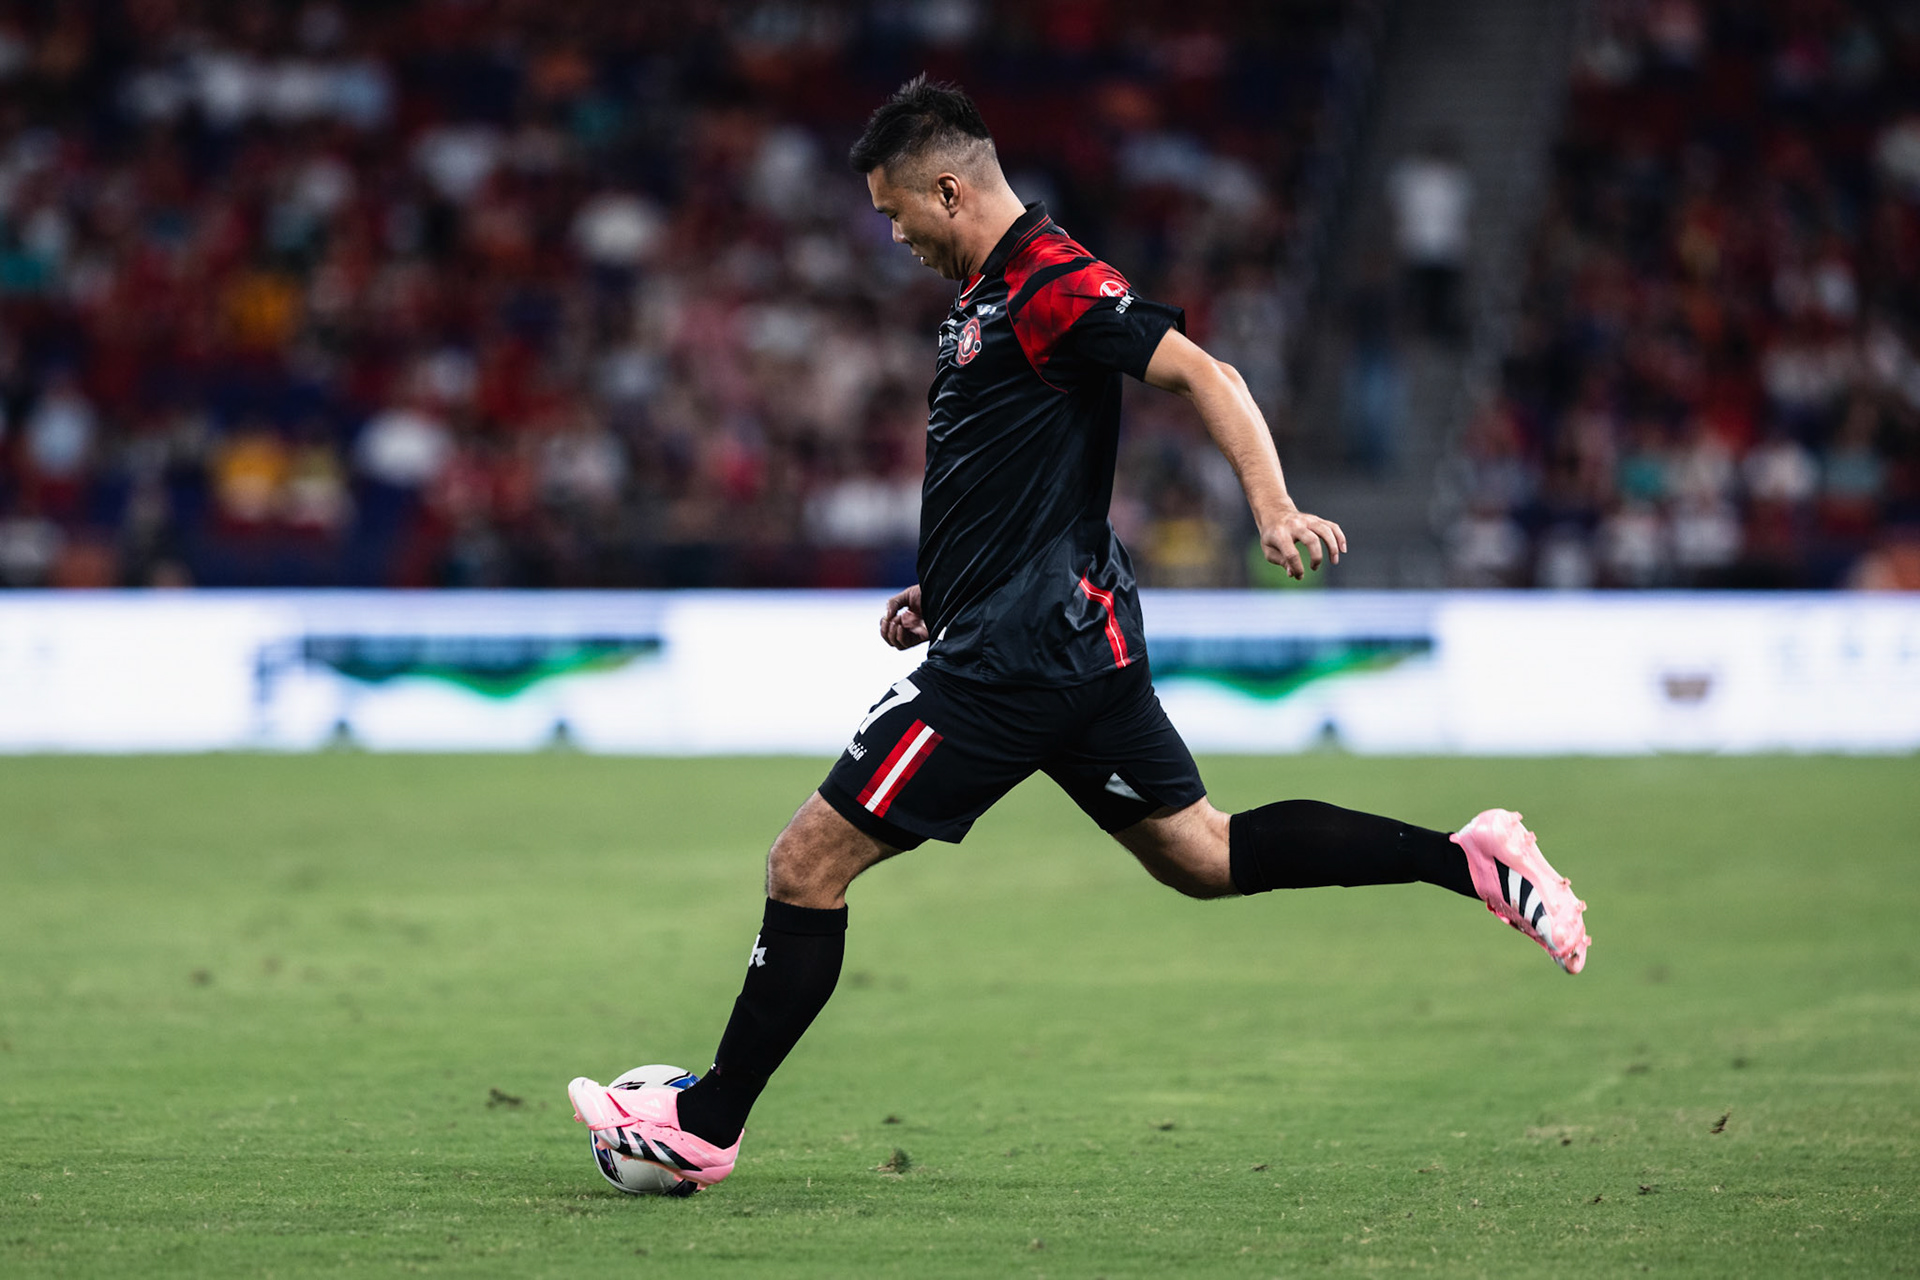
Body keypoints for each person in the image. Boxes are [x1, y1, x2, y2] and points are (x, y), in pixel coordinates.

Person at [568, 78, 1590, 1191]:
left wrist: (1273, 507)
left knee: (804, 862)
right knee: (1203, 854)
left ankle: (704, 1122)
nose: (894, 233)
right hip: (1057, 636)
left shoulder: (1054, 280)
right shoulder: (991, 296)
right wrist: (942, 583)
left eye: (894, 210)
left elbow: (1207, 371)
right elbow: (1014, 468)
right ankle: (1468, 857)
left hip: (1015, 661)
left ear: (949, 188)